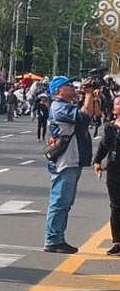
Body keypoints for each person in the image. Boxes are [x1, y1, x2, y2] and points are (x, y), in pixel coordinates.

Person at [43, 75, 101, 254]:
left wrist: (92, 97)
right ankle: (53, 239)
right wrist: (88, 94)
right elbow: (83, 117)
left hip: (74, 158)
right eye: (67, 85)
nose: (72, 87)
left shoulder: (68, 105)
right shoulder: (58, 107)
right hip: (65, 160)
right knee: (60, 200)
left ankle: (57, 237)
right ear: (58, 91)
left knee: (66, 201)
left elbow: (94, 116)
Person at [93, 94, 120, 257]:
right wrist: (97, 161)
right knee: (116, 206)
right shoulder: (110, 127)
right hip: (114, 168)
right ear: (113, 109)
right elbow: (104, 145)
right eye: (118, 103)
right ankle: (117, 242)